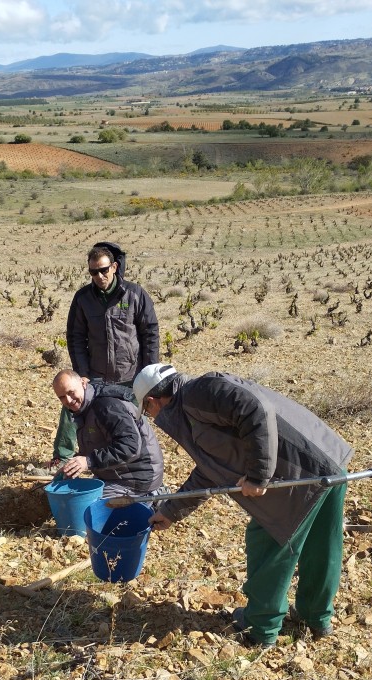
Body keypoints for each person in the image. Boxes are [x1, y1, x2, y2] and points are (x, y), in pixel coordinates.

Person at [133, 363, 354, 648]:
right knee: (320, 545)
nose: (151, 418)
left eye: (147, 412)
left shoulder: (197, 393)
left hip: (300, 474)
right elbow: (209, 470)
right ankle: (316, 617)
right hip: (324, 460)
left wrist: (259, 473)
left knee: (268, 540)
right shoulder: (191, 408)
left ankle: (261, 627)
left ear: (151, 401)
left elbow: (255, 408)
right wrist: (171, 511)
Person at [51, 242, 159, 468]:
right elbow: (76, 337)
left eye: (103, 270)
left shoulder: (135, 294)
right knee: (72, 405)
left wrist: (149, 372)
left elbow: (150, 333)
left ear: (114, 267)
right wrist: (82, 372)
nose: (99, 276)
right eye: (93, 272)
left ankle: (136, 462)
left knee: (133, 418)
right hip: (96, 373)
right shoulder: (83, 299)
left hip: (130, 373)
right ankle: (62, 457)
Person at [51, 369, 164, 500]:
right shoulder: (84, 407)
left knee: (87, 506)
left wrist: (89, 461)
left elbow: (130, 446)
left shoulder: (106, 406)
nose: (69, 400)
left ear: (83, 382)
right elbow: (97, 444)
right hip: (117, 474)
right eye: (62, 397)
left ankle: (152, 498)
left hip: (139, 477)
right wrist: (74, 464)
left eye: (71, 392)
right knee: (75, 497)